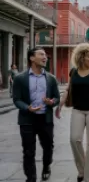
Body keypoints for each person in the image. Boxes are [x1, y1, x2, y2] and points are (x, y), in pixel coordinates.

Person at [56, 43, 89, 182]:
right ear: (81, 57)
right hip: (78, 110)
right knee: (75, 139)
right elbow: (68, 89)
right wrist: (60, 104)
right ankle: (83, 169)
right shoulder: (73, 71)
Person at [12, 47, 60, 182]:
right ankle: (31, 178)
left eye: (45, 55)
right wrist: (27, 107)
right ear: (32, 58)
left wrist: (51, 102)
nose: (45, 57)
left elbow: (57, 97)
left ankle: (46, 166)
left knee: (48, 147)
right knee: (28, 151)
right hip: (27, 119)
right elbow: (16, 100)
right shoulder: (20, 78)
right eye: (41, 54)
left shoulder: (51, 78)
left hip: (45, 119)